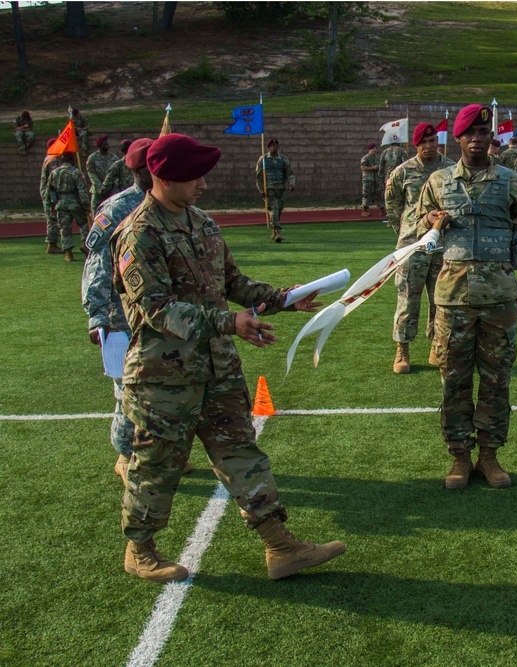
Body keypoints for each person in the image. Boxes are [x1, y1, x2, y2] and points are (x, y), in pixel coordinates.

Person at [109, 133, 344, 583]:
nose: (203, 184)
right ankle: (140, 550)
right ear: (162, 176)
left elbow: (232, 283)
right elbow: (158, 310)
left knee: (241, 452)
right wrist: (229, 324)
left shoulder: (203, 223)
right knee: (155, 465)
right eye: (194, 176)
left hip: (217, 368)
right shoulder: (138, 234)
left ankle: (280, 545)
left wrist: (283, 299)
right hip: (164, 377)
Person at [415, 104, 517, 490]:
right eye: (469, 133)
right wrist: (429, 222)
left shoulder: (514, 183)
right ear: (456, 139)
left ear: (491, 137)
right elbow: (416, 233)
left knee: (496, 381)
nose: (476, 139)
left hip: (500, 301)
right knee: (453, 381)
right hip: (452, 300)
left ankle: (489, 456)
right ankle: (458, 457)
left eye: (482, 133)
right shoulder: (437, 183)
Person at [82, 138, 157, 487]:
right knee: (127, 388)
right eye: (147, 168)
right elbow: (96, 265)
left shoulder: (167, 203)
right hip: (118, 315)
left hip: (155, 312)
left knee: (158, 385)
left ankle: (151, 451)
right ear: (137, 170)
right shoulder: (117, 208)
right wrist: (97, 315)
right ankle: (125, 455)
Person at [384, 122, 456, 374]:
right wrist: (408, 231)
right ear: (415, 145)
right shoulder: (403, 172)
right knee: (407, 298)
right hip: (413, 247)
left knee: (441, 299)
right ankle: (402, 349)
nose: (428, 146)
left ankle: (437, 345)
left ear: (438, 141)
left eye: (432, 141)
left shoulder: (451, 168)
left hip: (443, 246)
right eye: (423, 143)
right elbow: (393, 206)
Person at [45, 152, 90, 262]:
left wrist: (51, 205)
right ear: (72, 160)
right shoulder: (76, 172)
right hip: (76, 204)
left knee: (65, 229)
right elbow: (82, 190)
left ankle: (69, 254)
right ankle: (86, 246)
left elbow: (49, 191)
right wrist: (86, 205)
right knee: (84, 225)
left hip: (61, 204)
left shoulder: (54, 173)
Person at [256, 138, 296, 243]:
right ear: (269, 147)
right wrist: (261, 190)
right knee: (273, 210)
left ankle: (274, 230)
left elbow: (289, 173)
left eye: (275, 145)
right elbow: (259, 176)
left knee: (279, 209)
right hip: (269, 189)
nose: (274, 147)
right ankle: (278, 233)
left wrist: (291, 183)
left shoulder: (283, 159)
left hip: (281, 189)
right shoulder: (263, 160)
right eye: (272, 145)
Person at [40, 138, 63, 255]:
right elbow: (54, 178)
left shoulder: (50, 158)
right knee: (52, 218)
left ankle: (53, 243)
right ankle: (52, 244)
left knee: (53, 218)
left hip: (50, 193)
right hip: (50, 194)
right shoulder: (52, 160)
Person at [86, 136, 117, 213]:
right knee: (96, 213)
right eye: (104, 143)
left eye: (107, 143)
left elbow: (116, 173)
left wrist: (108, 186)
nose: (107, 144)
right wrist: (100, 186)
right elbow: (91, 173)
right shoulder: (92, 158)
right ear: (99, 145)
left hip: (110, 190)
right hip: (97, 191)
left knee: (111, 212)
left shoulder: (114, 158)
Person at [378, 141, 408, 215]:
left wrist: (381, 179)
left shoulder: (385, 152)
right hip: (399, 178)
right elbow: (406, 165)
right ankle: (400, 215)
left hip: (388, 179)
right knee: (400, 198)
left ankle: (389, 216)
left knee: (389, 198)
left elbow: (381, 167)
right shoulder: (402, 151)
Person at [360, 142, 380, 217]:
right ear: (369, 149)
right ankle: (364, 210)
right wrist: (372, 168)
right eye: (373, 148)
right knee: (366, 195)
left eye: (375, 148)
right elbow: (363, 168)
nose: (374, 150)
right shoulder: (365, 158)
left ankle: (382, 209)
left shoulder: (376, 158)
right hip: (367, 179)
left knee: (378, 194)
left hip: (375, 179)